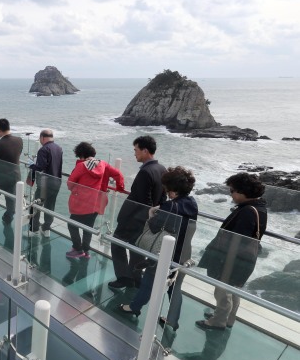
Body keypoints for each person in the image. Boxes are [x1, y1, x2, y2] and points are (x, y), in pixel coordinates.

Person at [119, 166, 198, 325]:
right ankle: (172, 321)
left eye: (167, 189)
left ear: (173, 190)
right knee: (175, 288)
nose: (166, 192)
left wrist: (152, 213)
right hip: (184, 252)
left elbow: (155, 228)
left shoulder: (170, 207)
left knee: (149, 280)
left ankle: (134, 307)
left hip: (166, 253)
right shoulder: (192, 203)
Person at [195, 173, 267, 330]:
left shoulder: (247, 211)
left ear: (243, 192)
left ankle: (218, 321)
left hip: (232, 259)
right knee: (234, 290)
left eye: (232, 190)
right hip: (244, 260)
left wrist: (223, 263)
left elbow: (237, 241)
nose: (231, 194)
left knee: (223, 291)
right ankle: (228, 319)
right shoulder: (259, 207)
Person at [109, 135, 166, 289]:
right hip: (146, 221)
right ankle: (136, 279)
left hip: (133, 221)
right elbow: (162, 198)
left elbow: (142, 201)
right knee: (136, 251)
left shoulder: (145, 172)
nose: (134, 153)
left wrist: (131, 220)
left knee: (117, 244)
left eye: (136, 150)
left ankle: (124, 278)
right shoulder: (162, 169)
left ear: (145, 151)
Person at [66, 142, 124, 258]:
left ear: (81, 155)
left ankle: (78, 249)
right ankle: (86, 251)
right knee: (88, 227)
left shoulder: (81, 166)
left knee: (72, 224)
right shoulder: (103, 164)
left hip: (82, 203)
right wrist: (119, 188)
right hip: (97, 203)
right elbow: (118, 174)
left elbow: (70, 184)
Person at [28, 129, 63, 237]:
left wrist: (31, 164)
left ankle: (34, 230)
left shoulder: (43, 149)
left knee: (35, 205)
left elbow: (40, 167)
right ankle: (46, 229)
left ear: (42, 137)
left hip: (45, 183)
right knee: (50, 206)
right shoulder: (59, 148)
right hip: (57, 181)